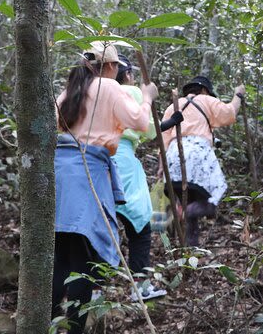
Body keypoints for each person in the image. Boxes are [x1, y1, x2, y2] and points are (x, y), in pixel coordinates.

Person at [52, 42, 157, 333]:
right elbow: (140, 121)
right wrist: (147, 97)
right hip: (89, 171)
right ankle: (74, 328)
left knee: (62, 254)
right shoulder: (107, 86)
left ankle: (45, 322)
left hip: (61, 169)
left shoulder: (70, 88)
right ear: (111, 67)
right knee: (82, 257)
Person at [160, 76, 244, 246]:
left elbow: (163, 138)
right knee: (214, 196)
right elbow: (230, 112)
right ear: (205, 91)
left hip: (174, 156)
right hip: (197, 154)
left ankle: (189, 249)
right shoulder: (206, 100)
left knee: (187, 199)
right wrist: (238, 95)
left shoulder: (173, 106)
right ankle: (184, 213)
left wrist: (161, 165)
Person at [111, 54, 167, 301]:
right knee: (141, 225)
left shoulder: (95, 92)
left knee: (101, 225)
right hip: (122, 160)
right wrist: (148, 98)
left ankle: (90, 291)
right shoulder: (131, 92)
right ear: (128, 75)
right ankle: (141, 288)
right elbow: (150, 128)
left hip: (93, 160)